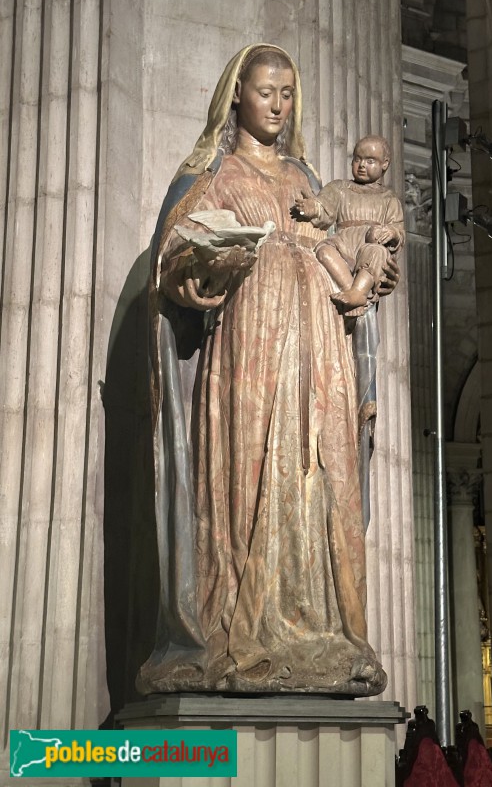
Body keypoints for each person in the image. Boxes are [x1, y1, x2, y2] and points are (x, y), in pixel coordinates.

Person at [137, 44, 399, 696]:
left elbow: (343, 248)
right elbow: (172, 257)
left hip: (318, 348)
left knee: (316, 477)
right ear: (238, 95)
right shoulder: (215, 173)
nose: (278, 105)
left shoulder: (308, 180)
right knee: (249, 476)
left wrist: (369, 277)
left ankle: (316, 629)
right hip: (249, 345)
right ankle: (236, 625)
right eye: (265, 92)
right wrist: (189, 275)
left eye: (287, 94)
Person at [293, 135, 405, 315]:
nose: (362, 165)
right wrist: (313, 207)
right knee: (324, 250)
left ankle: (359, 291)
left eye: (370, 161)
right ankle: (351, 292)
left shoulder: (389, 199)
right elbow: (325, 206)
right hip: (343, 243)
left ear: (384, 164)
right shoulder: (339, 188)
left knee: (377, 252)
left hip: (370, 246)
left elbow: (398, 229)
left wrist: (391, 233)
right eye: (357, 159)